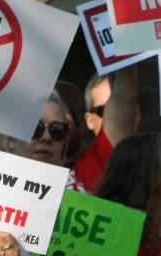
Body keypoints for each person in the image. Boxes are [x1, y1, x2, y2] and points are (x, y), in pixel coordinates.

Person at [8, 67, 138, 193]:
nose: (47, 137)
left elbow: (124, 104)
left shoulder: (89, 165)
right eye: (36, 128)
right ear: (10, 140)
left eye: (58, 129)